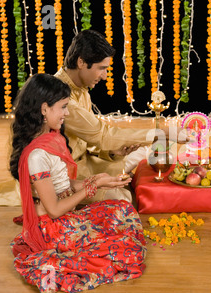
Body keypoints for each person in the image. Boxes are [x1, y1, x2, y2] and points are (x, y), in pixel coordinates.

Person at [9, 73, 146, 293]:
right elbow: (53, 210)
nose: (66, 113)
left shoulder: (51, 138)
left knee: (122, 209)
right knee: (126, 248)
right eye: (63, 107)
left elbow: (63, 184)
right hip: (52, 228)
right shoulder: (36, 155)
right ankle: (53, 265)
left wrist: (98, 181)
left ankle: (64, 258)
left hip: (65, 215)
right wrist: (91, 188)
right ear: (44, 109)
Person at [54, 29, 157, 203]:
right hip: (69, 174)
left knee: (142, 152)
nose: (104, 76)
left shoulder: (81, 89)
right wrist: (160, 132)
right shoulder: (60, 96)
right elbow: (102, 135)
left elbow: (89, 139)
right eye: (101, 68)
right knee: (124, 200)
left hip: (88, 161)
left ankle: (114, 176)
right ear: (81, 62)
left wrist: (110, 152)